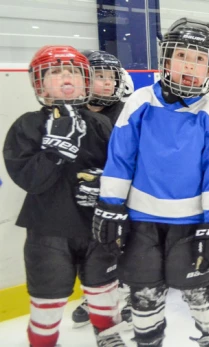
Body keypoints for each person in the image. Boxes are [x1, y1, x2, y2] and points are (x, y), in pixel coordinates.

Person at [94, 18, 209, 347]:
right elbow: (121, 159)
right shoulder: (140, 102)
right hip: (142, 221)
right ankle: (148, 340)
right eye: (183, 55)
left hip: (192, 224)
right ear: (166, 60)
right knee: (144, 292)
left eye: (200, 60)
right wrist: (110, 206)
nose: (190, 65)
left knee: (201, 290)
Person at [3, 45, 126, 346]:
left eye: (72, 71)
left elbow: (119, 170)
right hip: (48, 230)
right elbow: (31, 179)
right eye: (55, 72)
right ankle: (43, 341)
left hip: (96, 228)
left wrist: (102, 188)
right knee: (48, 296)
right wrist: (56, 149)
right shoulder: (28, 125)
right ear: (40, 82)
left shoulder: (101, 123)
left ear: (85, 80)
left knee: (104, 289)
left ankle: (109, 337)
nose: (65, 78)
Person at [71, 49, 133, 330]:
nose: (108, 83)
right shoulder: (70, 114)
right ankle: (97, 294)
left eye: (112, 77)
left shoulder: (126, 112)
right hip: (85, 204)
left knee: (126, 244)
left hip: (123, 198)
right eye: (100, 77)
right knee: (93, 250)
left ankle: (132, 291)